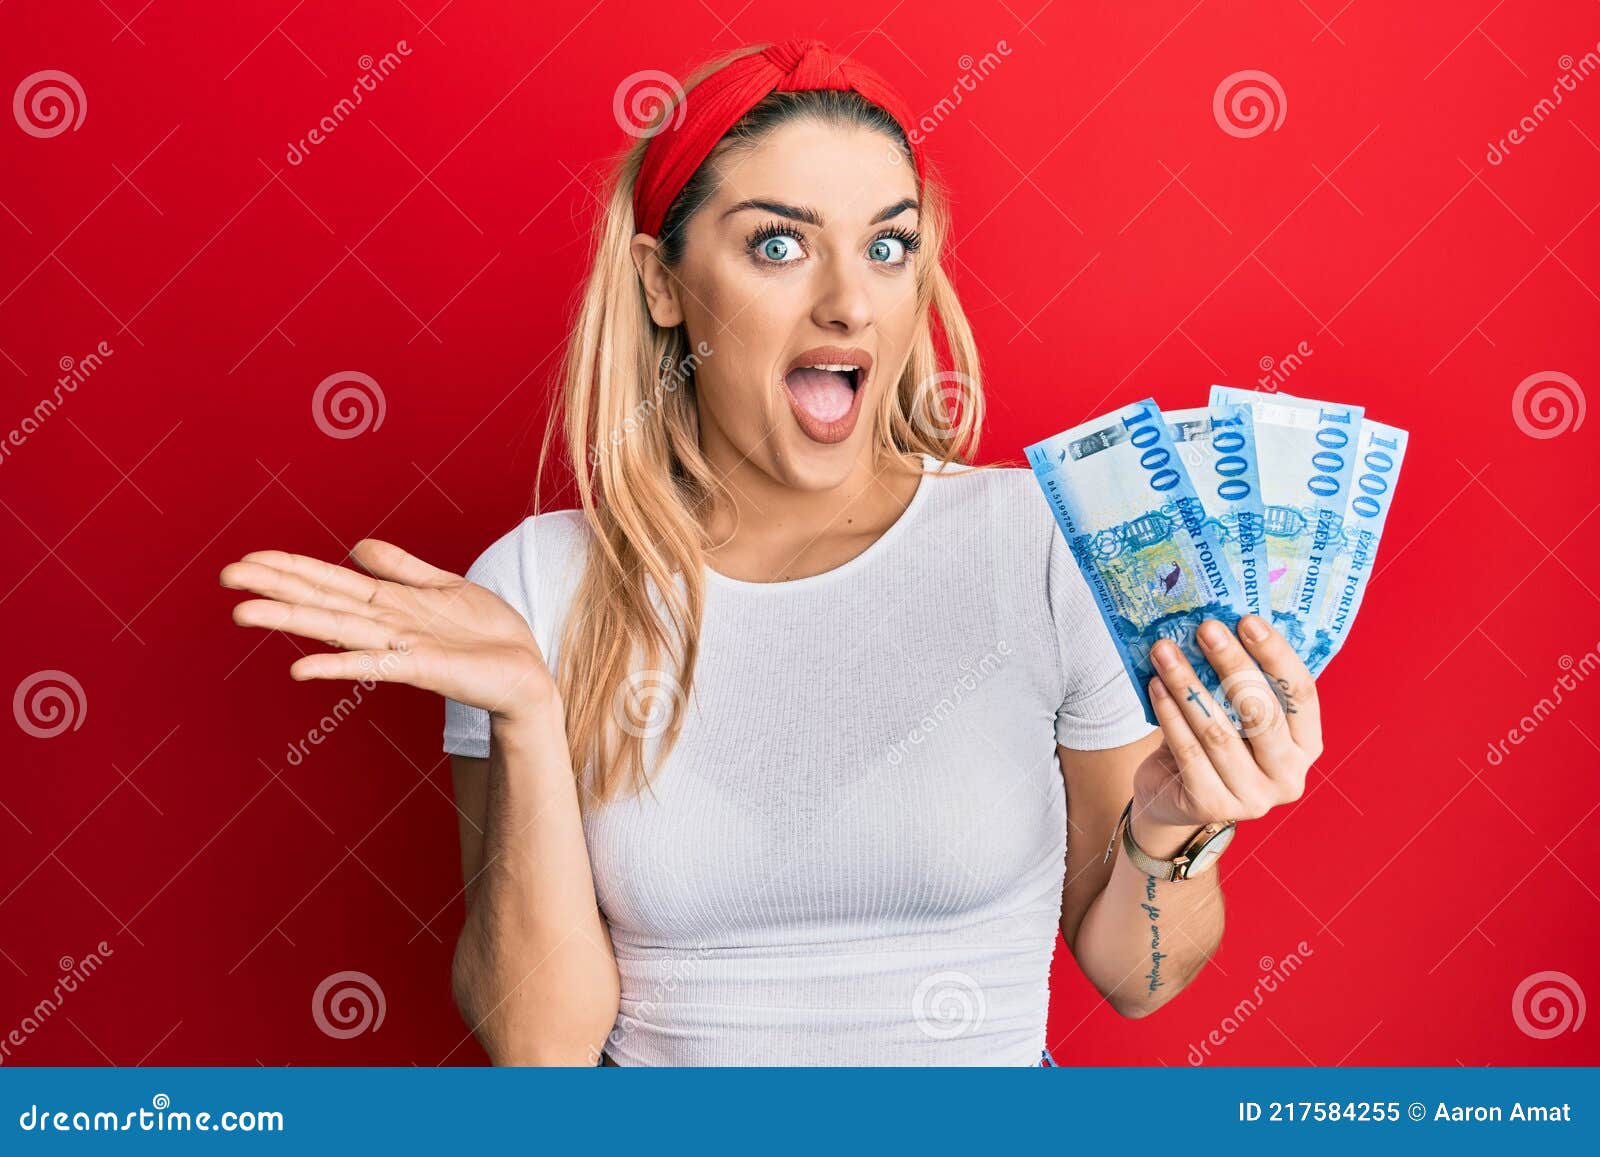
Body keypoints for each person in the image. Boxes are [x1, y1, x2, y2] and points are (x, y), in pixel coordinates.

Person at [219, 38, 1322, 1066]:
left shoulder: (1040, 543)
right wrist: (525, 707)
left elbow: (1137, 977)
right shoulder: (532, 585)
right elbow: (539, 1047)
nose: (847, 301)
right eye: (778, 245)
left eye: (887, 246)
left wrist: (1178, 826)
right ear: (661, 281)